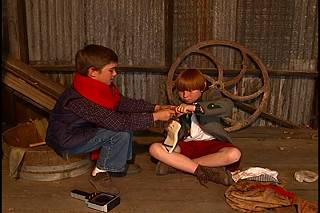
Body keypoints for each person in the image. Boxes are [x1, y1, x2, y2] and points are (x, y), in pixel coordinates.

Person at [46, 44, 176, 194]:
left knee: (124, 125)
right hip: (68, 140)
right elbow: (119, 123)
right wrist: (155, 117)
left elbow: (122, 103)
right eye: (111, 70)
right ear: (93, 72)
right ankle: (100, 173)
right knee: (120, 132)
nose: (115, 74)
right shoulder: (80, 100)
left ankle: (119, 163)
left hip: (84, 130)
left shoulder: (97, 87)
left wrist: (155, 107)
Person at [149, 69, 241, 187]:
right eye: (181, 91)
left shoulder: (211, 94)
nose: (185, 95)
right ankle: (207, 172)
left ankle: (179, 166)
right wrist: (170, 125)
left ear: (202, 87)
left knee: (234, 154)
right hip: (187, 144)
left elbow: (227, 106)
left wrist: (193, 108)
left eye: (190, 90)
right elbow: (173, 135)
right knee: (155, 148)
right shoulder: (177, 102)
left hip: (212, 143)